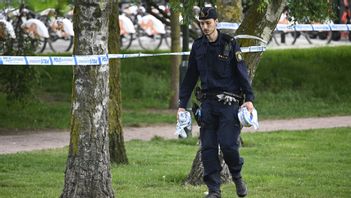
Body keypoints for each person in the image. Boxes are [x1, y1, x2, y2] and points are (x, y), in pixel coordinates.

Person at [177, 7, 255, 198]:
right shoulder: (198, 46)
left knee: (228, 145)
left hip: (229, 104)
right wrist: (182, 103)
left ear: (216, 22)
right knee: (208, 149)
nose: (204, 27)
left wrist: (250, 99)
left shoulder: (229, 44)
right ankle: (214, 190)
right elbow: (190, 77)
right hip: (208, 106)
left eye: (208, 23)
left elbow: (242, 73)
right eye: (201, 23)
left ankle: (237, 177)